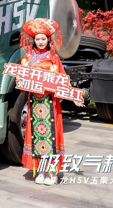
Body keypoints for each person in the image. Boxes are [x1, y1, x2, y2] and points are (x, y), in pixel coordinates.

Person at [19, 18, 82, 186]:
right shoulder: (27, 57)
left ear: (48, 40)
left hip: (50, 104)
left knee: (51, 137)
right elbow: (21, 77)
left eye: (43, 39)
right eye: (38, 39)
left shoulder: (54, 58)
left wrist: (74, 96)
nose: (40, 42)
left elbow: (63, 79)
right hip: (35, 103)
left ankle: (52, 172)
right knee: (36, 136)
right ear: (33, 40)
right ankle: (40, 170)